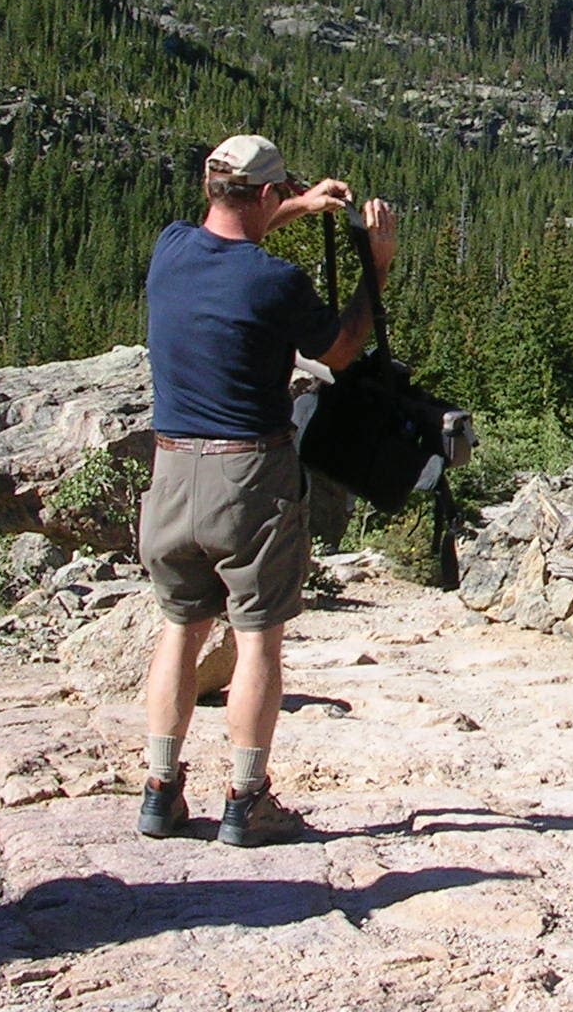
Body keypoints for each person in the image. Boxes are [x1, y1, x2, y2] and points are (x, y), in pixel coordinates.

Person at [136, 134, 397, 846]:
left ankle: (160, 790)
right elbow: (338, 349)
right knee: (257, 641)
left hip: (172, 469)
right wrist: (375, 267)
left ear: (210, 185)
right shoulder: (276, 283)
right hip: (248, 473)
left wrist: (300, 205)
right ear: (266, 193)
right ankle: (246, 800)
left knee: (180, 629)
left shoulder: (170, 249)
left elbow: (236, 227)